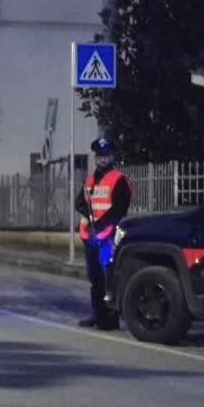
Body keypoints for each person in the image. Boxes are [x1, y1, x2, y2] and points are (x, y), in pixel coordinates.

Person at [74, 137, 130, 329]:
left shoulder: (119, 179)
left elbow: (119, 209)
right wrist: (89, 223)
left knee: (109, 277)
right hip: (92, 236)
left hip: (109, 237)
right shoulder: (89, 180)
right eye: (99, 156)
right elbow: (79, 203)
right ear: (96, 157)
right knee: (95, 278)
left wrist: (101, 225)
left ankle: (111, 318)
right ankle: (97, 315)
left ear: (111, 157)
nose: (102, 160)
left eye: (106, 156)